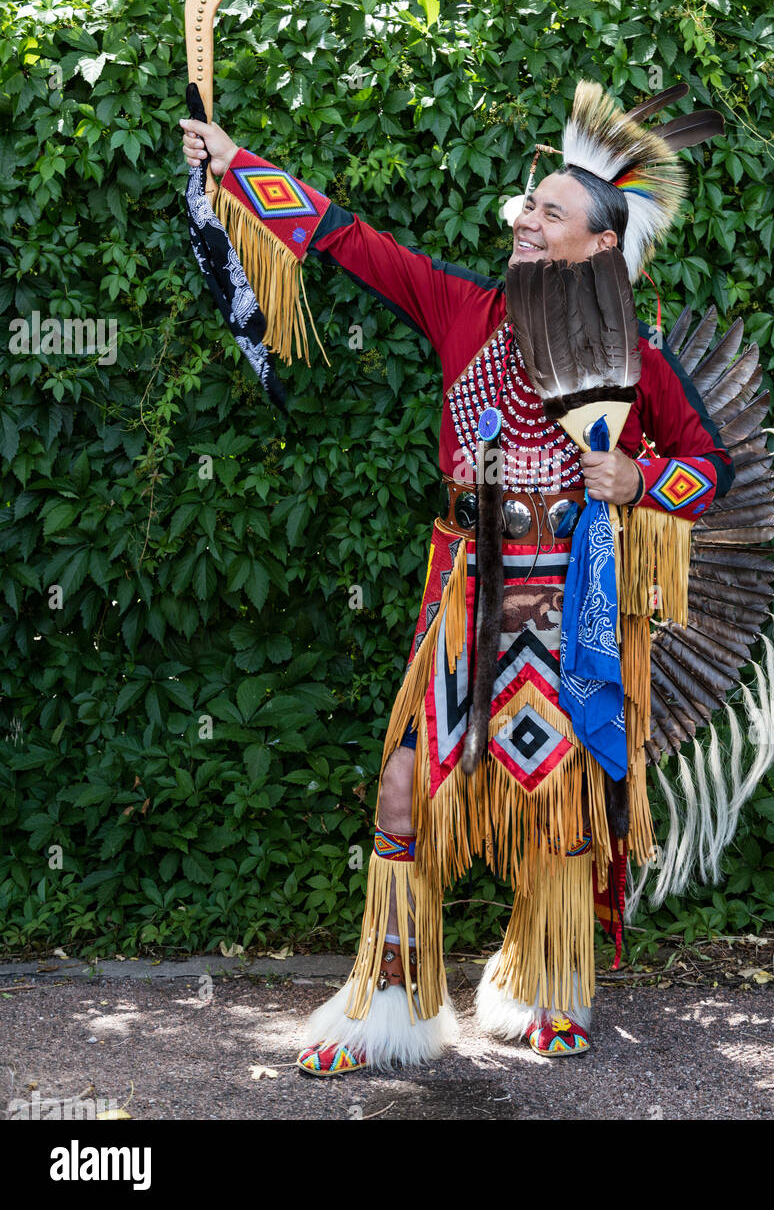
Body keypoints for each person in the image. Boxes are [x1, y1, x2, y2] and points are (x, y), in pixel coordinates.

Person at [179, 80, 733, 1072]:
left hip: (572, 607)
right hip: (465, 598)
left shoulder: (634, 360)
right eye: (526, 204)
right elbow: (353, 243)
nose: (525, 216)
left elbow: (711, 467)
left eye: (550, 210)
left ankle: (546, 984)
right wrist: (235, 163)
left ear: (599, 244)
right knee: (406, 790)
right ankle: (387, 1007)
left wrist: (641, 474)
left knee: (560, 805)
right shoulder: (463, 308)